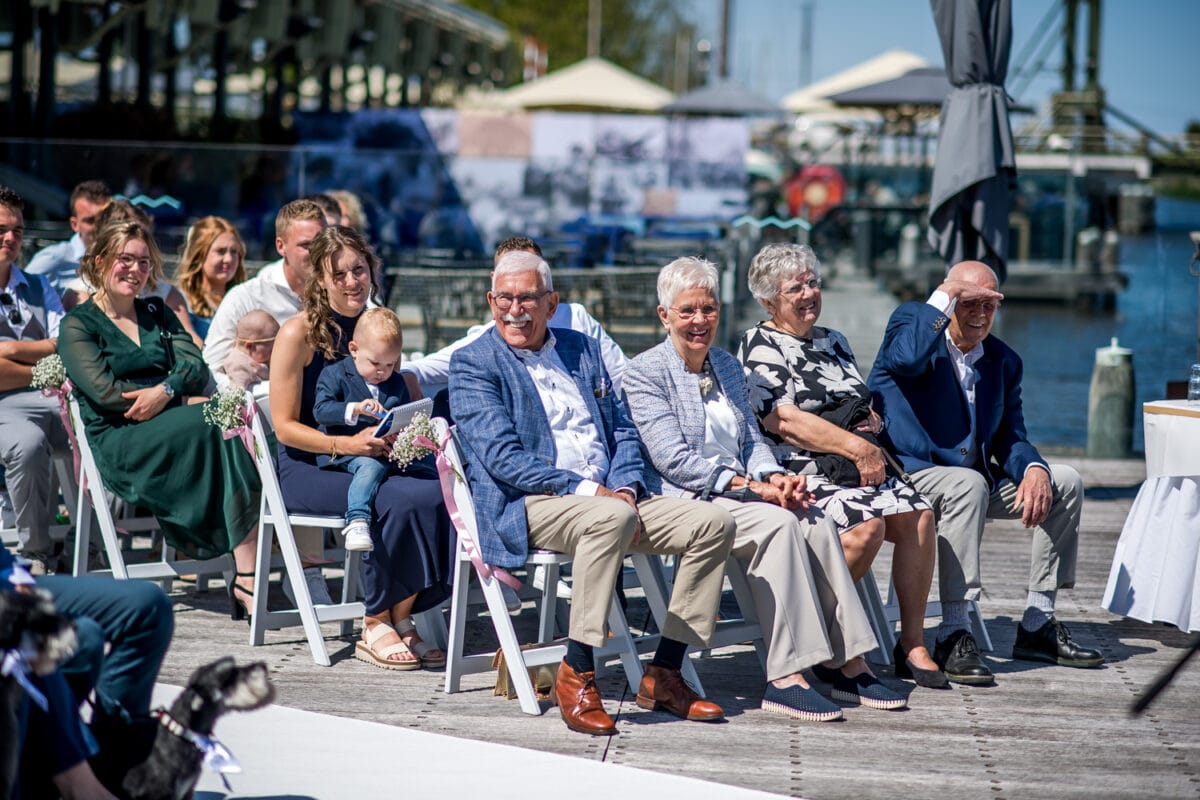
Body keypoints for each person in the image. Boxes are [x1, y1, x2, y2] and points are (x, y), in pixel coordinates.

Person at [449, 250, 737, 736]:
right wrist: (593, 492)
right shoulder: (473, 363)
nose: (515, 309)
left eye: (528, 299)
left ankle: (664, 671)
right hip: (531, 502)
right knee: (611, 519)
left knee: (715, 523)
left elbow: (623, 428)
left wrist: (623, 485)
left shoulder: (581, 348)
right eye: (505, 298)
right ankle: (576, 670)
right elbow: (503, 459)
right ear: (490, 300)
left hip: (613, 498)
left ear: (552, 302)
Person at [624, 257, 905, 721]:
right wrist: (752, 487)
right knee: (778, 524)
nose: (700, 322)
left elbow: (753, 440)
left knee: (813, 516)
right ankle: (785, 676)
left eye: (709, 310)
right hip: (689, 499)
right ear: (664, 315)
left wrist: (775, 477)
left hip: (744, 490)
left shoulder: (728, 367)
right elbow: (672, 459)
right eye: (688, 311)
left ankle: (845, 660)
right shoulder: (645, 373)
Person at [867, 259, 1103, 685]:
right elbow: (905, 360)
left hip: (973, 482)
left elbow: (1010, 435)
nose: (979, 315)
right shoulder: (911, 325)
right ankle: (954, 631)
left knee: (1063, 480)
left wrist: (1032, 467)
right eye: (970, 303)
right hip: (907, 475)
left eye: (989, 306)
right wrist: (945, 295)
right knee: (968, 482)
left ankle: (1037, 623)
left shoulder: (1003, 360)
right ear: (950, 300)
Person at [738, 243, 944, 687]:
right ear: (769, 300)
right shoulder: (761, 343)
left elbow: (855, 400)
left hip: (855, 464)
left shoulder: (834, 340)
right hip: (801, 471)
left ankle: (911, 643)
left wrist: (870, 424)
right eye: (796, 287)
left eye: (813, 282)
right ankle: (827, 643)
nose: (810, 292)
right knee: (867, 526)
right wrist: (857, 447)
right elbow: (784, 420)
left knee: (919, 516)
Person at [56, 219, 263, 616]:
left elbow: (196, 367)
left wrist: (164, 390)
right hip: (121, 438)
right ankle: (247, 573)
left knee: (236, 424)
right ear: (100, 262)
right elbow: (109, 396)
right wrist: (174, 394)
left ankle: (247, 570)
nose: (135, 270)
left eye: (144, 262)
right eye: (124, 259)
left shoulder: (157, 312)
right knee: (217, 421)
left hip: (171, 422)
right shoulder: (78, 324)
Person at [270, 225, 451, 671]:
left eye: (359, 270)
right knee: (398, 498)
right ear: (321, 280)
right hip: (311, 463)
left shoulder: (380, 326)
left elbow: (397, 386)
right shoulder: (299, 334)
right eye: (340, 274)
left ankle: (403, 616)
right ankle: (375, 619)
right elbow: (284, 428)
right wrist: (347, 443)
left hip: (372, 455)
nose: (353, 282)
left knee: (434, 492)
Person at [3, 546, 174, 797]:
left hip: (8, 572)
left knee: (147, 606)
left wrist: (12, 576)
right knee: (79, 637)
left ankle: (114, 774)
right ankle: (73, 780)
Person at [403, 236, 628, 399]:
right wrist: (408, 374)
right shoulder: (484, 340)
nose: (516, 309)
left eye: (528, 274)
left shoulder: (575, 319)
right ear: (493, 291)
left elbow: (622, 377)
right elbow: (424, 367)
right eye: (510, 274)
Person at [0, 187, 72, 575]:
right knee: (27, 445)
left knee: (101, 431)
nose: (10, 238)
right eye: (1, 230)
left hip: (55, 397)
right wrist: (43, 361)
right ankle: (36, 550)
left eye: (17, 230)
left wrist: (8, 352)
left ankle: (88, 544)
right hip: (4, 408)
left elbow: (64, 345)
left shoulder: (39, 287)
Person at [313, 307, 417, 553]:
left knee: (424, 468)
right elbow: (321, 410)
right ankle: (357, 520)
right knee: (370, 467)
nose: (382, 371)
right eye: (375, 363)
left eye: (390, 364)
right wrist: (355, 409)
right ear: (354, 349)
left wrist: (401, 435)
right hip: (345, 450)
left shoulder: (396, 382)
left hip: (385, 450)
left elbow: (399, 413)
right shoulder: (334, 375)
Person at [203, 199, 327, 377]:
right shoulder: (246, 297)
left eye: (321, 243)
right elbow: (211, 370)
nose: (316, 252)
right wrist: (252, 395)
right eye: (306, 245)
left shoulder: (343, 290)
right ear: (280, 246)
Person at [25, 179, 111, 311]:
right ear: (74, 224)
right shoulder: (54, 258)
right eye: (90, 221)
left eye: (104, 219)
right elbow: (19, 293)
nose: (99, 227)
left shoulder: (121, 258)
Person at [175, 216, 248, 342]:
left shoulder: (247, 300)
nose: (229, 259)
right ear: (199, 255)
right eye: (221, 251)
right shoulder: (180, 302)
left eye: (234, 251)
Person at [223, 310, 278, 391]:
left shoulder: (259, 358)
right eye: (272, 348)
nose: (276, 351)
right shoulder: (239, 365)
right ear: (249, 346)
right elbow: (238, 394)